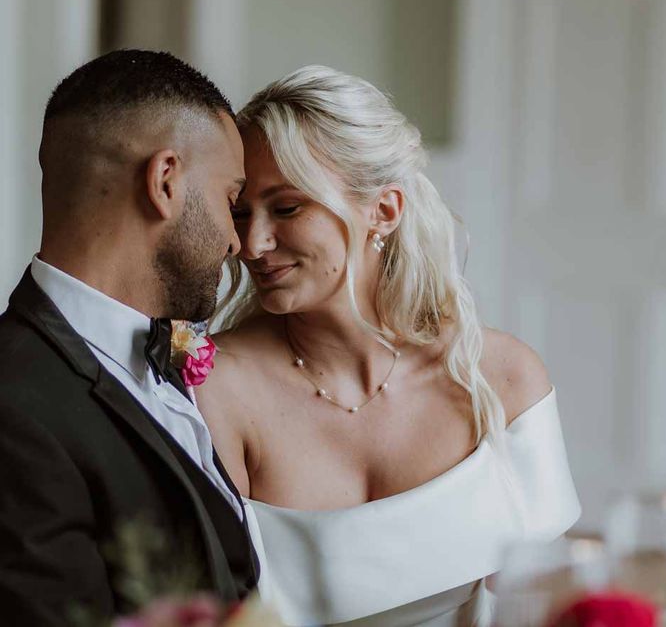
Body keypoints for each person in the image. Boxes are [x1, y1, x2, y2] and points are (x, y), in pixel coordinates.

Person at [197, 65, 580, 626]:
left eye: (287, 208)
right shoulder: (218, 389)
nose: (253, 243)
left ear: (384, 210)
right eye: (241, 212)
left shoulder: (503, 379)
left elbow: (557, 603)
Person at [0, 50, 259, 626]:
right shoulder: (15, 407)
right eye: (231, 201)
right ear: (165, 181)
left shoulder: (181, 370)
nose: (237, 243)